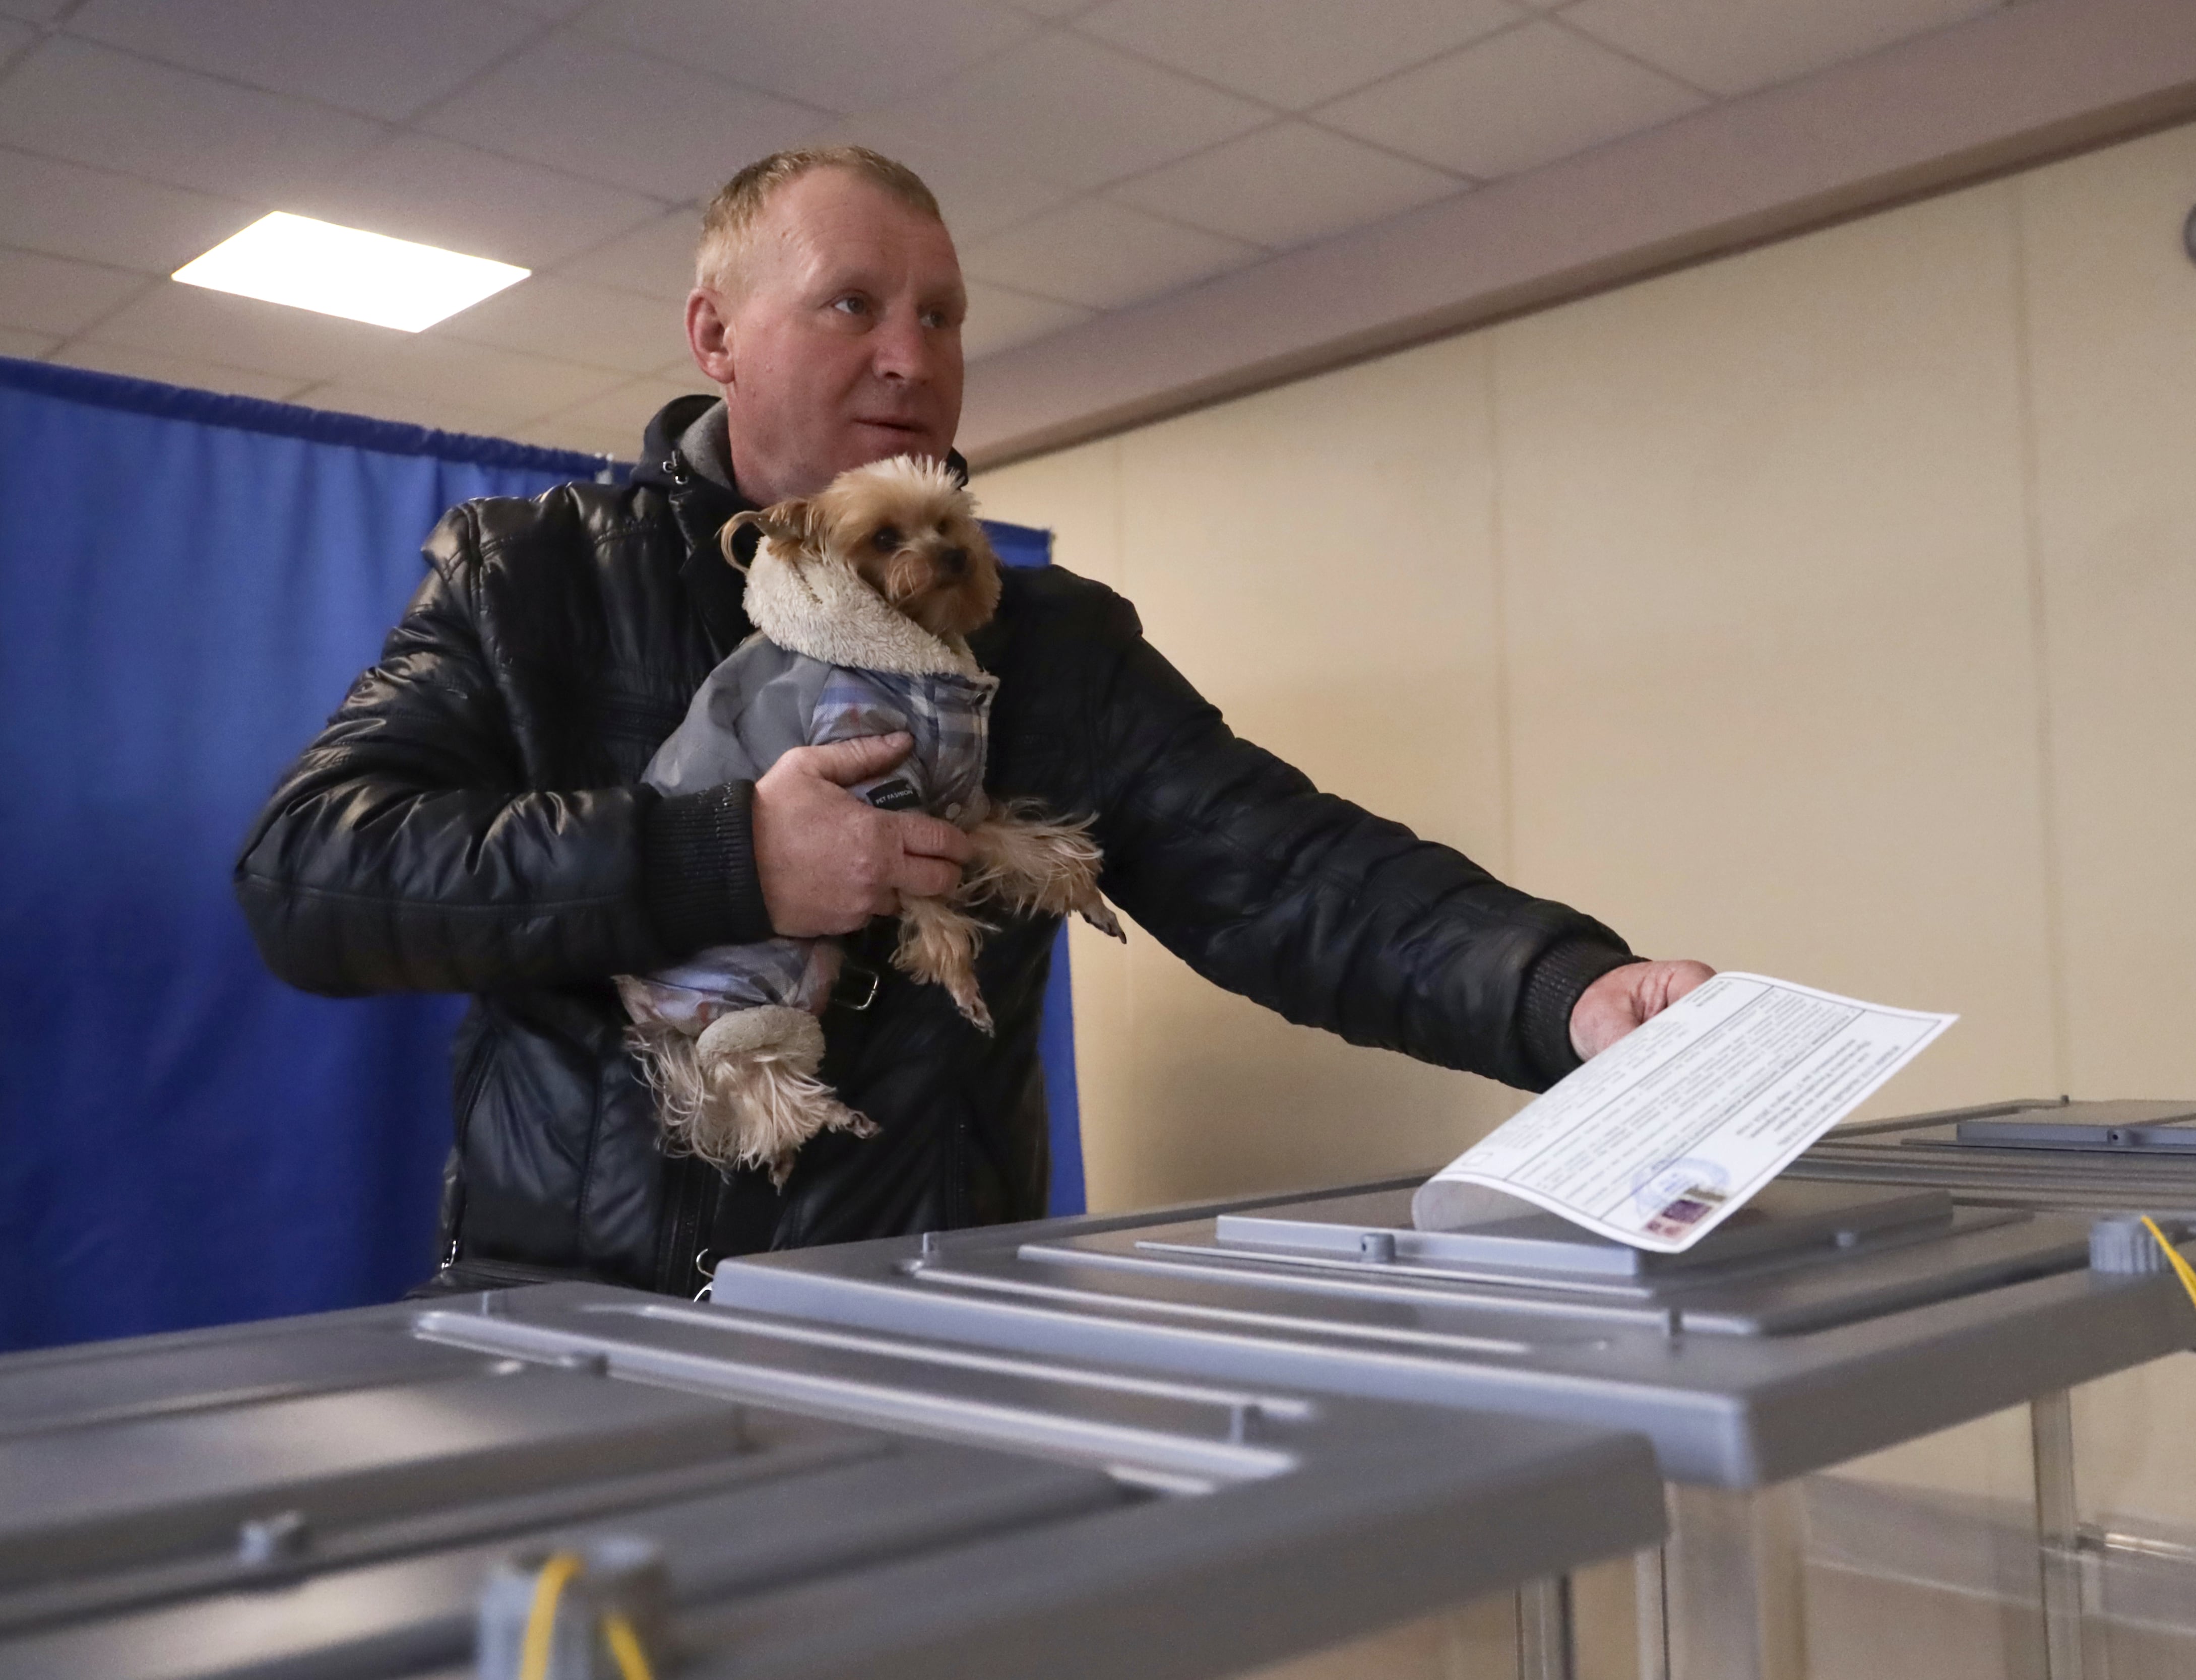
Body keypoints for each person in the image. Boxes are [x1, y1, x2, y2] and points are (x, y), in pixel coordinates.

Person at [235, 146, 1714, 1298]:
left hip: (933, 1304)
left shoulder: (1043, 637)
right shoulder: (538, 574)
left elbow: (1287, 869)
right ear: (716, 333)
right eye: (851, 304)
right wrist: (726, 857)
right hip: (586, 1322)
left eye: (942, 314)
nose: (912, 353)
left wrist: (1567, 993)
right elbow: (315, 873)